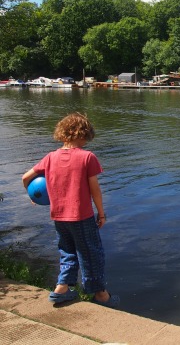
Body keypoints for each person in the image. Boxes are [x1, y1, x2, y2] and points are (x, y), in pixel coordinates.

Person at [22, 112, 120, 308]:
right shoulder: (87, 157)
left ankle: (62, 288)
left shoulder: (50, 157)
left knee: (67, 251)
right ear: (84, 134)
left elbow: (26, 178)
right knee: (91, 253)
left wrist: (33, 196)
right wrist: (101, 214)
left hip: (59, 217)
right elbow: (95, 190)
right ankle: (101, 295)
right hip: (81, 217)